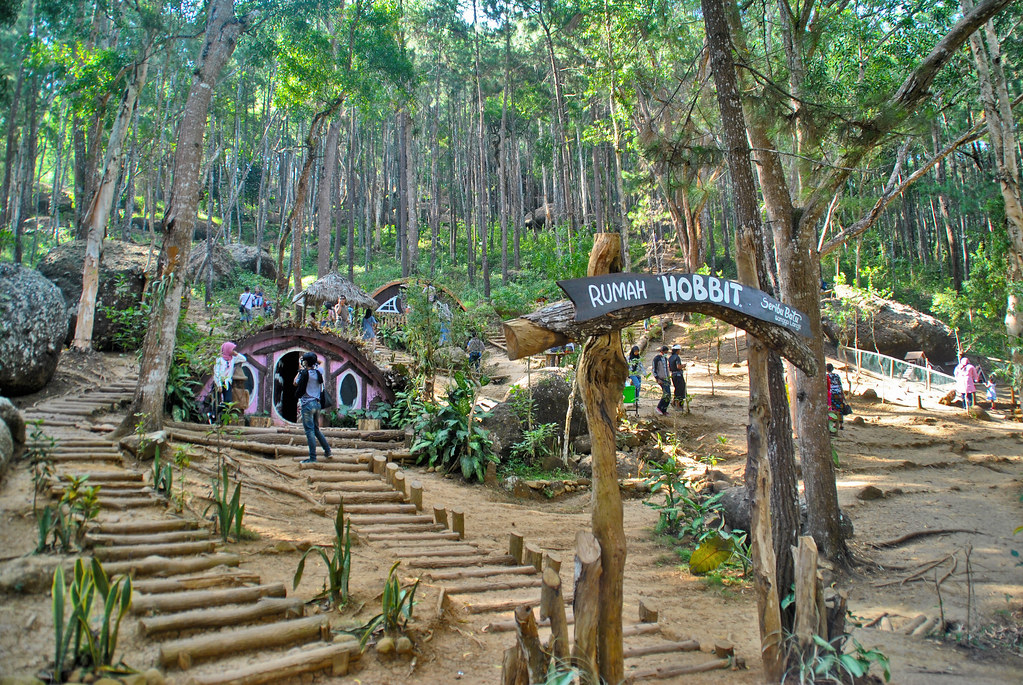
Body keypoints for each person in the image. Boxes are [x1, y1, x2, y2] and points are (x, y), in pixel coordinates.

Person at [294, 352, 332, 463]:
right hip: (317, 404)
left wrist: (300, 369)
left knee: (309, 431)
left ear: (305, 362)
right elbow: (322, 362)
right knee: (315, 429)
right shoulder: (319, 371)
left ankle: (312, 458)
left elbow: (295, 383)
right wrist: (313, 361)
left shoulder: (304, 373)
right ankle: (327, 451)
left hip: (307, 405)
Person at [213, 342, 246, 417]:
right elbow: (216, 372)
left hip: (228, 382)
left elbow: (244, 359)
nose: (233, 350)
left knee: (228, 401)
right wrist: (219, 385)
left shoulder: (233, 359)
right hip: (219, 382)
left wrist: (236, 354)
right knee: (216, 400)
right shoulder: (219, 360)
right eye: (231, 349)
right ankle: (213, 415)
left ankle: (220, 415)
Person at [826, 363, 846, 429]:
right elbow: (840, 385)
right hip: (838, 394)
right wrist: (843, 395)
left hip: (832, 394)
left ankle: (834, 424)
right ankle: (841, 424)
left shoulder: (826, 376)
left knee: (833, 409)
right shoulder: (837, 376)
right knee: (840, 408)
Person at [652, 345, 671, 415]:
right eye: (665, 352)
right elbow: (654, 370)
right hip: (661, 379)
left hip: (666, 379)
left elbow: (666, 370)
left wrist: (669, 378)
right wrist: (657, 378)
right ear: (662, 352)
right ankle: (659, 407)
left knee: (668, 395)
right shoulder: (657, 359)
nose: (666, 353)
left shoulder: (665, 359)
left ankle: (664, 409)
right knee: (666, 394)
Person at [668, 344, 686, 408]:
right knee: (681, 389)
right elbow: (678, 366)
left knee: (677, 388)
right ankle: (678, 404)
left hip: (673, 375)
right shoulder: (677, 357)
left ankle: (674, 402)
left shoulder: (670, 357)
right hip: (678, 375)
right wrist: (683, 366)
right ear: (677, 350)